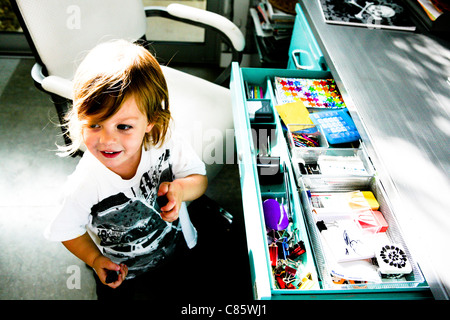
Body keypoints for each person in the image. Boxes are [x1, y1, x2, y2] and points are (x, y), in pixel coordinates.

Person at [45, 39, 208, 300]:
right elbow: (65, 230)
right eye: (95, 125)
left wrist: (180, 189)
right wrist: (95, 259)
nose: (108, 140)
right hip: (125, 277)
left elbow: (199, 179)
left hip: (178, 249)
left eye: (123, 127)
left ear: (151, 121)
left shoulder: (165, 142)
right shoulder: (84, 184)